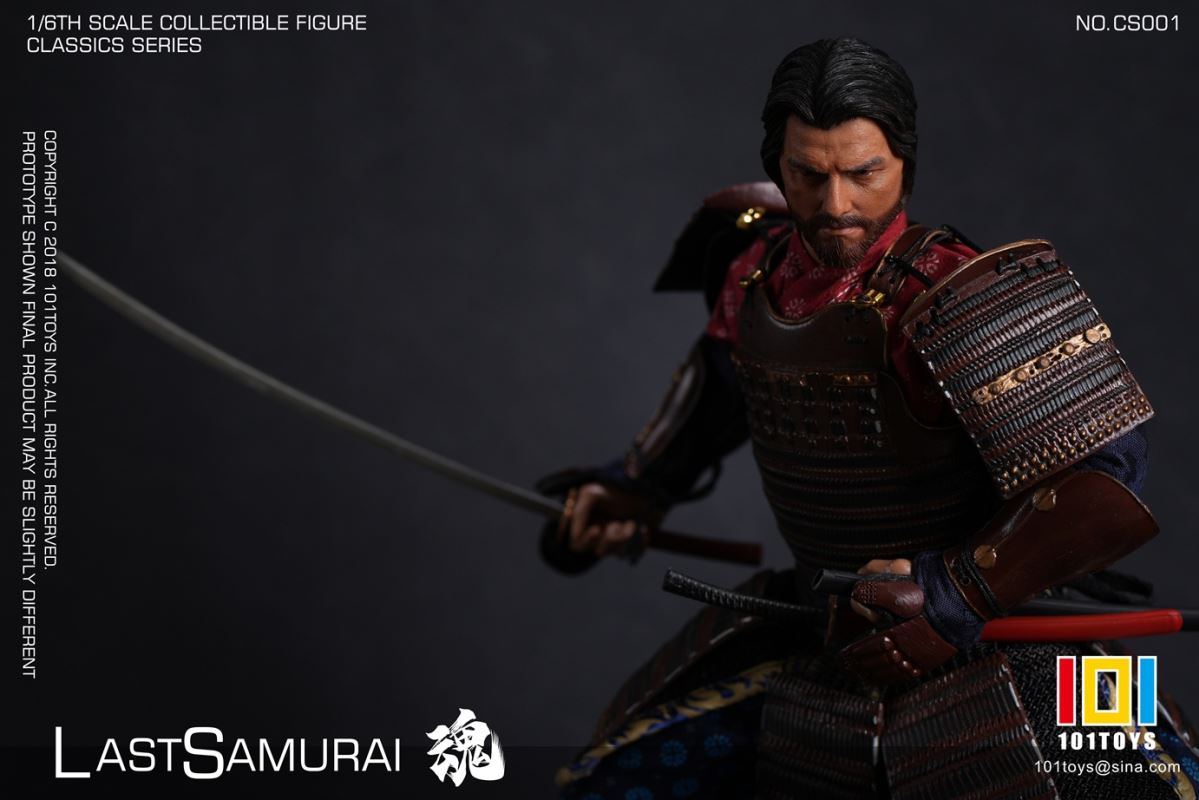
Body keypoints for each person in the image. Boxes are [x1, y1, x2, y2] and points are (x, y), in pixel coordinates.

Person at [539, 38, 1198, 799]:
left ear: (904, 167)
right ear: (777, 165)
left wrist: (954, 593)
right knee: (612, 779)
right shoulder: (754, 275)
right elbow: (717, 393)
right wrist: (634, 488)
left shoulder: (959, 292)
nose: (835, 206)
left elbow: (1103, 479)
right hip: (826, 631)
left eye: (862, 173)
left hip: (996, 635)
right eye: (807, 175)